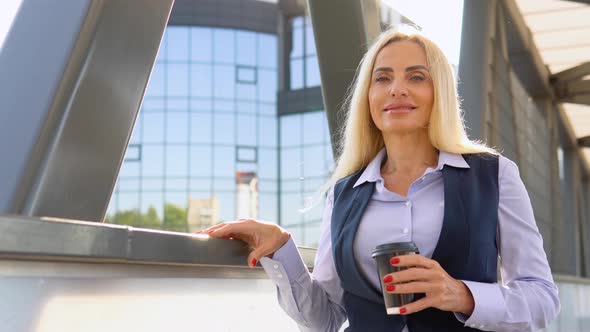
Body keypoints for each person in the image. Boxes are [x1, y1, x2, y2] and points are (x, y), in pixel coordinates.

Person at [200, 28, 560, 331]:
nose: (396, 89)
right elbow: (324, 319)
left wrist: (461, 294)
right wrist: (281, 250)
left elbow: (543, 299)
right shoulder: (344, 194)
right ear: (368, 97)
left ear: (441, 93)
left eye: (416, 77)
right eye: (382, 78)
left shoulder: (494, 175)